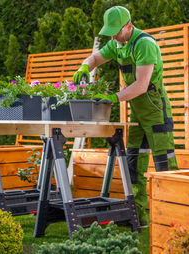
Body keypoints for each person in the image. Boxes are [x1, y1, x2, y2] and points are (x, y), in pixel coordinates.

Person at [73, 6, 178, 227]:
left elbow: (141, 86)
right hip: (138, 114)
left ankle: (173, 224)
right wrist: (84, 66)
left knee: (165, 168)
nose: (113, 37)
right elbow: (95, 58)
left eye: (116, 31)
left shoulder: (145, 44)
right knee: (134, 165)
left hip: (156, 112)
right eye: (110, 32)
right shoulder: (117, 44)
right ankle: (138, 219)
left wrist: (113, 98)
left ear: (128, 26)